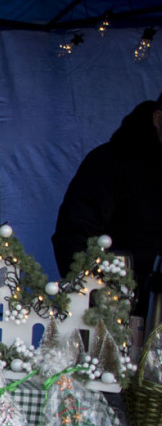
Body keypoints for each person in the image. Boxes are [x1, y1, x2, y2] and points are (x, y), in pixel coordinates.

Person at [52, 94, 162, 317]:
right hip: (120, 314)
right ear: (158, 118)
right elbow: (73, 235)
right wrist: (100, 300)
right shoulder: (110, 162)